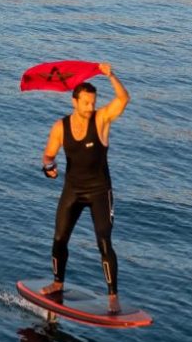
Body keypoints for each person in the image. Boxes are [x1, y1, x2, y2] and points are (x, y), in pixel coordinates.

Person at [41, 63, 129, 304]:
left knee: (104, 241)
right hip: (73, 190)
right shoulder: (60, 127)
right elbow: (48, 155)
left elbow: (123, 99)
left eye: (93, 102)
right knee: (60, 238)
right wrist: (49, 167)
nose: (91, 107)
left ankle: (113, 296)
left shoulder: (101, 120)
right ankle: (57, 283)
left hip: (100, 191)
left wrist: (111, 75)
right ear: (75, 102)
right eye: (86, 103)